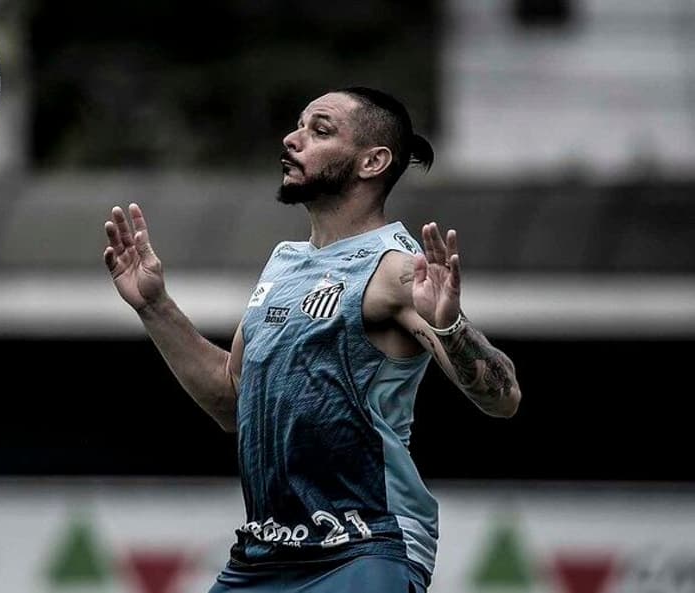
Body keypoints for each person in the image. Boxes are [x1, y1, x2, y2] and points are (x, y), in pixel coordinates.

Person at [102, 86, 521, 592]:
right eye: (299, 125)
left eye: (318, 130)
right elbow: (233, 400)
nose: (292, 139)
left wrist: (451, 327)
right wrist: (155, 306)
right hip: (264, 554)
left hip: (366, 546)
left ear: (373, 161)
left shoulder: (395, 269)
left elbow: (503, 399)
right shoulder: (284, 263)